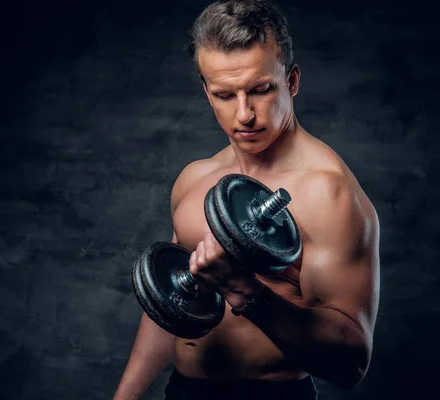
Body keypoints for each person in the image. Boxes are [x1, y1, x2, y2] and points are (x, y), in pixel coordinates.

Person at [113, 1, 380, 399]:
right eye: (224, 94)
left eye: (259, 90)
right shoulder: (195, 178)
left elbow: (350, 363)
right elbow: (170, 303)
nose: (244, 115)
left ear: (291, 81)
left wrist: (245, 291)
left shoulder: (328, 193)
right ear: (206, 91)